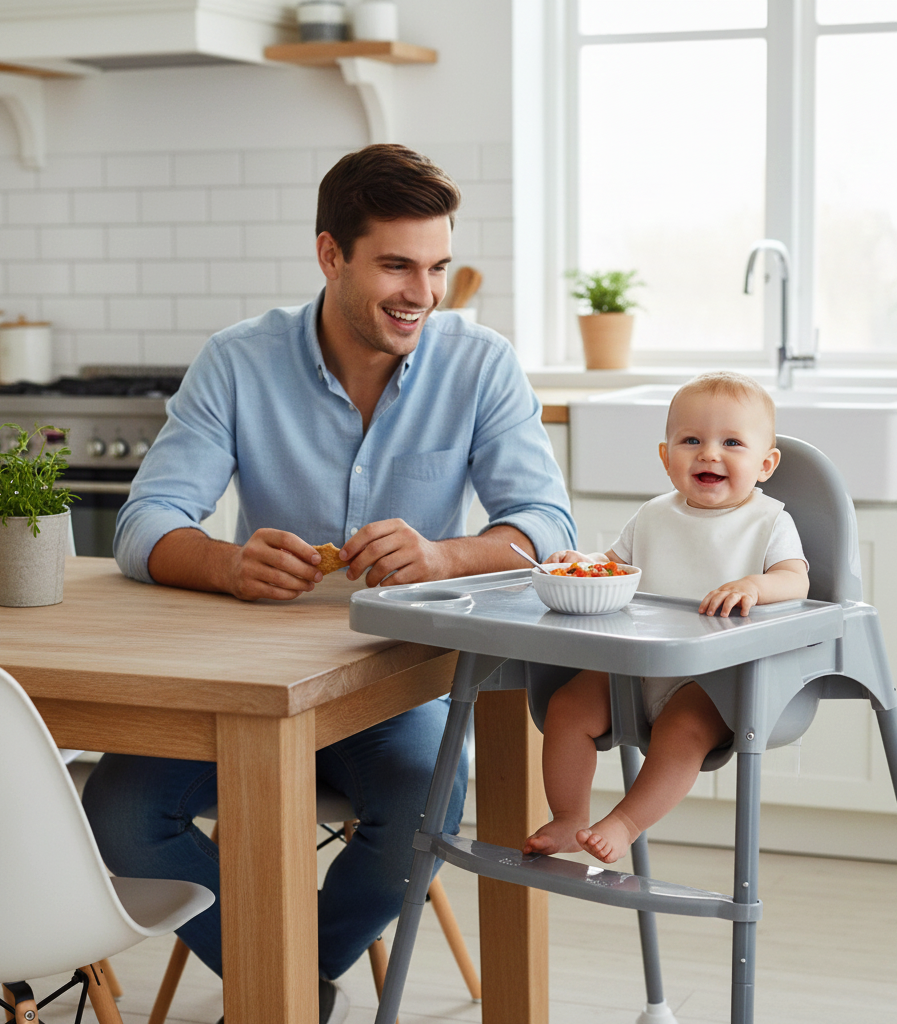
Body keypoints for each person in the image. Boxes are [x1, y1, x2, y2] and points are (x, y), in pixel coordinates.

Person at [82, 143, 576, 1023]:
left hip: (395, 684)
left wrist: (443, 556)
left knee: (428, 800)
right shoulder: (238, 361)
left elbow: (548, 527)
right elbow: (145, 524)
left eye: (436, 267)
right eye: (395, 264)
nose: (420, 293)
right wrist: (227, 565)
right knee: (118, 814)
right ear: (330, 255)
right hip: (245, 689)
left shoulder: (481, 364)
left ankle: (290, 975)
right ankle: (286, 979)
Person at [522, 371, 808, 866]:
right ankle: (569, 816)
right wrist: (583, 564)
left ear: (766, 464)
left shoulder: (769, 521)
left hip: (712, 679)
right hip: (634, 665)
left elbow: (796, 579)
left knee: (684, 733)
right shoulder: (653, 515)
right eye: (691, 440)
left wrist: (754, 586)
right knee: (568, 706)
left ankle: (627, 821)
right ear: (665, 455)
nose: (709, 453)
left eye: (731, 442)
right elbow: (616, 563)